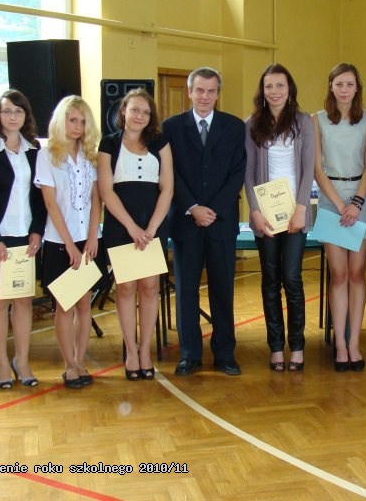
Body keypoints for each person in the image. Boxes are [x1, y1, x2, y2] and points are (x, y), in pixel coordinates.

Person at [162, 67, 246, 376]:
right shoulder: (171, 127)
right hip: (186, 223)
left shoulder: (234, 126)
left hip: (221, 222)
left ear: (218, 94)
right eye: (199, 90)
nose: (205, 96)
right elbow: (170, 174)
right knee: (186, 292)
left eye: (211, 91)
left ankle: (224, 354)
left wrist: (214, 210)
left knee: (223, 290)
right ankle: (190, 355)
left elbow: (238, 172)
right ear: (189, 92)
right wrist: (194, 208)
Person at [0, 90, 46, 389]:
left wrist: (37, 230)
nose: (12, 116)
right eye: (7, 111)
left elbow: (40, 196)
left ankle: (22, 360)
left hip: (26, 237)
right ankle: (2, 362)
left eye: (18, 111)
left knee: (24, 301)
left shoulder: (35, 150)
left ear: (26, 115)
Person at [97, 89, 173, 381]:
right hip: (121, 226)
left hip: (152, 226)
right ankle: (130, 351)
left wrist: (151, 229)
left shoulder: (159, 142)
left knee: (150, 288)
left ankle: (145, 351)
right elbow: (106, 191)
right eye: (134, 110)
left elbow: (167, 188)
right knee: (126, 288)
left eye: (146, 112)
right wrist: (132, 228)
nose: (140, 116)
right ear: (123, 112)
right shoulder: (109, 143)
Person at [245, 64, 315, 372]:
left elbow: (309, 168)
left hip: (295, 214)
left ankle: (297, 346)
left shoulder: (303, 122)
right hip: (265, 216)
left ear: (290, 89)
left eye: (280, 85)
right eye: (269, 86)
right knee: (270, 281)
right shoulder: (251, 124)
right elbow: (248, 173)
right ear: (262, 91)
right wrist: (255, 211)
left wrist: (301, 208)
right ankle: (276, 347)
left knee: (292, 278)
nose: (274, 91)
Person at [34, 95, 102, 389]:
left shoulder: (91, 156)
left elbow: (97, 200)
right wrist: (70, 245)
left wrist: (92, 237)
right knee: (65, 307)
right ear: (61, 121)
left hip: (88, 241)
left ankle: (81, 360)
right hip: (59, 242)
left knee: (85, 304)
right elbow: (51, 205)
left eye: (83, 121)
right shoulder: (47, 155)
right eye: (72, 120)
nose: (77, 126)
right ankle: (68, 365)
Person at [312, 63, 366, 371]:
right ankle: (339, 344)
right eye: (339, 84)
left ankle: (354, 343)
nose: (344, 89)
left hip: (362, 199)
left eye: (350, 84)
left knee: (357, 273)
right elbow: (316, 168)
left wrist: (357, 202)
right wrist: (340, 205)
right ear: (331, 86)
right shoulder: (317, 119)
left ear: (357, 87)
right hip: (331, 200)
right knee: (338, 274)